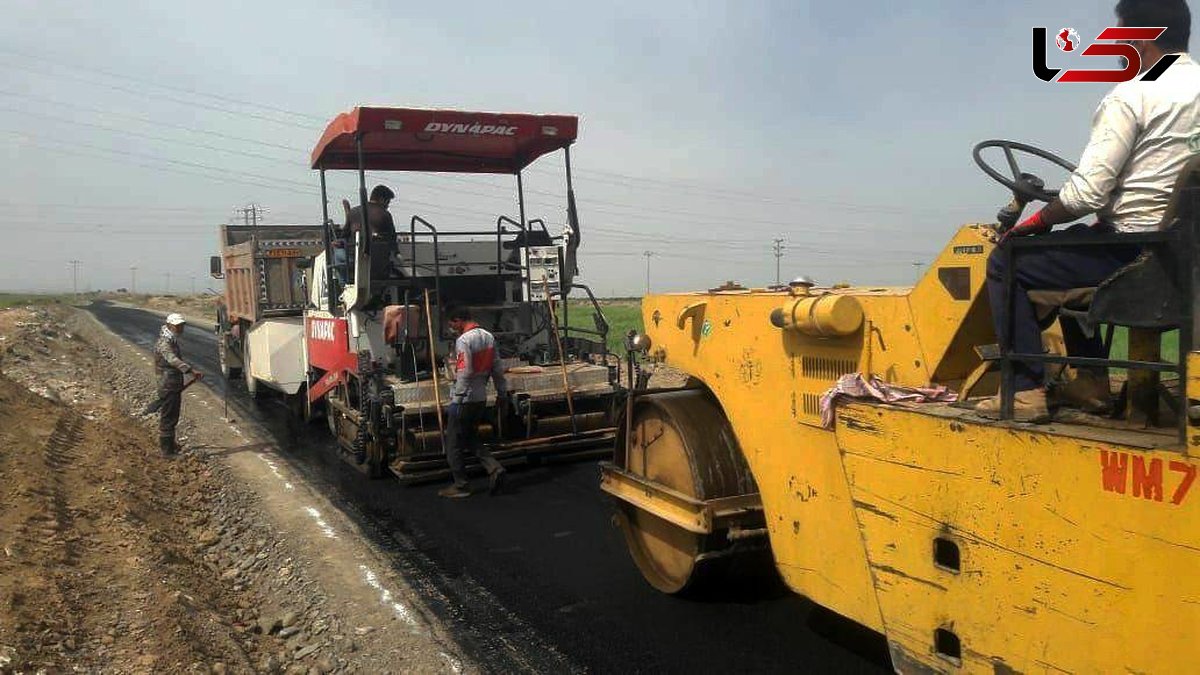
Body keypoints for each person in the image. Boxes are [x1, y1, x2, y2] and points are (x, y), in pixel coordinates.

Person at [977, 0, 1199, 421]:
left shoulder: (1134, 94)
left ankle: (1024, 391)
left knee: (1008, 260)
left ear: (1138, 37)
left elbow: (1085, 195)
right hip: (1187, 258)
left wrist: (1034, 223)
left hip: (1138, 257)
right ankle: (1092, 384)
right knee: (1071, 247)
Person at [438, 306, 509, 498]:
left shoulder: (463, 341)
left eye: (452, 324)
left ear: (458, 320)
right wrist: (502, 394)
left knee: (453, 442)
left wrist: (458, 399)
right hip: (480, 398)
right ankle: (494, 468)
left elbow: (465, 371)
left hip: (465, 399)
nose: (452, 328)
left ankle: (461, 485)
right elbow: (497, 369)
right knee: (470, 437)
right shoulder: (488, 336)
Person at [154, 313, 201, 456]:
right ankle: (167, 451)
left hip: (173, 383)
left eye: (182, 326)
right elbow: (172, 360)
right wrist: (190, 370)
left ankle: (171, 444)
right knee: (169, 417)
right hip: (167, 384)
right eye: (178, 326)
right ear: (169, 325)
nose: (181, 328)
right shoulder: (164, 343)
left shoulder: (171, 340)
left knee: (173, 415)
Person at [345, 184, 398, 282]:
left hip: (355, 261)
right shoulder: (385, 215)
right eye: (388, 202)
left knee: (336, 255)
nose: (388, 206)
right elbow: (392, 239)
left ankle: (342, 284)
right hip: (380, 265)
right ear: (381, 199)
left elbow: (345, 236)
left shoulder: (353, 212)